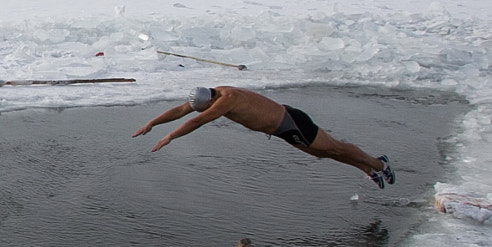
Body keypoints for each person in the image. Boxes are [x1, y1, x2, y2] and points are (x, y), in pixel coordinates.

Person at [134, 86, 394, 187]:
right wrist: (152, 123)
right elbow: (183, 110)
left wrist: (170, 137)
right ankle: (367, 168)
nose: (208, 109)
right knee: (321, 153)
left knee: (334, 148)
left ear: (211, 99)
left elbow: (199, 120)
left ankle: (378, 163)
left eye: (208, 106)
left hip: (292, 122)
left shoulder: (227, 99)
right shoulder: (210, 95)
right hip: (282, 129)